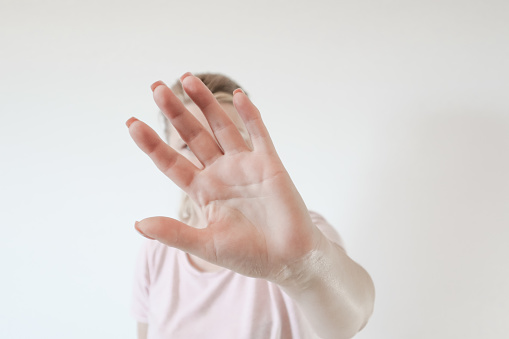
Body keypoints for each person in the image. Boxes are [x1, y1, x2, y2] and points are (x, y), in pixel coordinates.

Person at [127, 72, 375, 339]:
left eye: (228, 139)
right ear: (171, 153)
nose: (211, 158)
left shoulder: (299, 230)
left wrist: (301, 266)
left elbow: (353, 318)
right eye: (188, 145)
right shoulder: (157, 252)